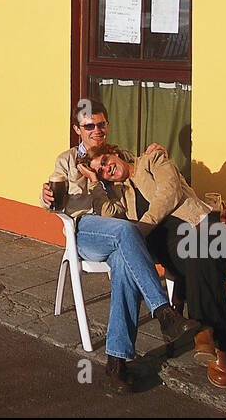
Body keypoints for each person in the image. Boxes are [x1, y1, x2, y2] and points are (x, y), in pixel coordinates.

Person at [41, 99, 188, 394]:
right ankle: (163, 311)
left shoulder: (115, 154)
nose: (97, 130)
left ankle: (117, 361)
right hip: (85, 231)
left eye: (101, 124)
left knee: (124, 260)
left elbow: (137, 175)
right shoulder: (66, 160)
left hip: (121, 234)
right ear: (77, 129)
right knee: (125, 232)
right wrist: (47, 198)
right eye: (89, 126)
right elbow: (54, 200)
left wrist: (157, 152)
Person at [83, 141, 226, 389]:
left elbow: (170, 192)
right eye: (100, 171)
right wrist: (94, 183)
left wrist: (141, 228)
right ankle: (216, 342)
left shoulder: (152, 161)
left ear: (114, 153)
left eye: (105, 162)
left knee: (200, 248)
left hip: (196, 224)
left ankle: (208, 335)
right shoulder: (119, 193)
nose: (105, 170)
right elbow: (109, 215)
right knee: (205, 260)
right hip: (166, 243)